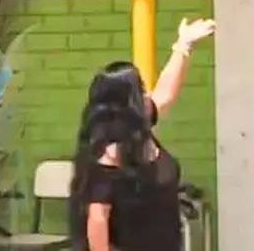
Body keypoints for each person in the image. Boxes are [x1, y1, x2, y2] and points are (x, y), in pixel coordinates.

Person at [68, 17, 216, 251]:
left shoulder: (136, 127)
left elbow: (165, 94)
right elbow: (97, 218)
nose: (147, 95)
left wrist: (183, 45)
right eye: (141, 91)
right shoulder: (107, 154)